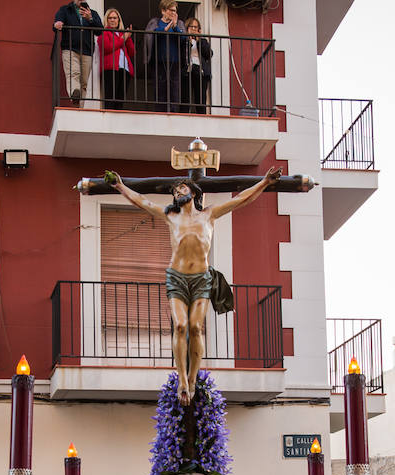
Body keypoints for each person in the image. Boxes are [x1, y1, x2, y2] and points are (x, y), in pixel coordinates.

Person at [106, 165, 283, 405]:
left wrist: (264, 182)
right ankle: (181, 380)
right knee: (180, 326)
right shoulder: (171, 216)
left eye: (182, 188)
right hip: (177, 278)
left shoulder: (209, 214)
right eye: (175, 191)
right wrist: (120, 186)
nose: (178, 192)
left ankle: (192, 379)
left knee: (195, 328)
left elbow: (242, 199)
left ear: (194, 192)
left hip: (201, 279)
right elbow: (143, 202)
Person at [53, 1, 102, 105]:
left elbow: (100, 30)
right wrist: (57, 24)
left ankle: (80, 106)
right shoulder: (66, 10)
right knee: (73, 73)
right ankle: (74, 93)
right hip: (70, 48)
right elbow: (57, 22)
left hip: (87, 50)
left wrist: (90, 19)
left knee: (84, 82)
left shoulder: (92, 13)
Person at [146, 0, 186, 112]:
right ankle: (160, 115)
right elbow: (149, 36)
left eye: (175, 11)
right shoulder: (155, 22)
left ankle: (173, 116)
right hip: (159, 62)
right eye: (171, 10)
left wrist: (175, 27)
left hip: (175, 63)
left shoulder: (180, 24)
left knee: (174, 92)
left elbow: (184, 39)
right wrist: (164, 29)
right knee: (160, 91)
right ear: (163, 11)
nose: (174, 13)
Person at [98, 8, 135, 110]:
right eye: (110, 18)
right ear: (107, 20)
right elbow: (108, 47)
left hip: (125, 69)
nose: (112, 20)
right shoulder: (104, 33)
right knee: (110, 97)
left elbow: (132, 52)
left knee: (120, 98)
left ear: (119, 20)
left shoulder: (123, 34)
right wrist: (124, 38)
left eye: (115, 18)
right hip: (111, 69)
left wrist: (128, 37)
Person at [182, 17, 212, 113]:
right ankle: (184, 115)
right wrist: (189, 43)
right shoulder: (184, 40)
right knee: (185, 97)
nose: (194, 29)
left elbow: (209, 54)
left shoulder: (202, 41)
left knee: (201, 98)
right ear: (187, 28)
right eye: (192, 27)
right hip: (188, 70)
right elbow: (182, 54)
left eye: (196, 27)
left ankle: (201, 116)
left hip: (200, 70)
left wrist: (199, 41)